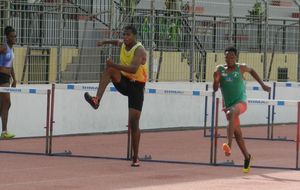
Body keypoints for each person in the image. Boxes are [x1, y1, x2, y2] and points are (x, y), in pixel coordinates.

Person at [84, 25, 147, 167]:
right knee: (109, 70)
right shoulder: (123, 43)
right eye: (124, 34)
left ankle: (135, 157)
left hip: (137, 87)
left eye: (128, 35)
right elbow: (115, 42)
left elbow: (133, 68)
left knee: (134, 123)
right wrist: (104, 41)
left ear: (134, 36)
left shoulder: (140, 50)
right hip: (124, 82)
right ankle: (96, 100)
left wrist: (115, 64)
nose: (125, 37)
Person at [213, 46, 271, 173]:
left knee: (232, 111)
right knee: (238, 135)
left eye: (232, 57)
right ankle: (247, 157)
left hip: (241, 103)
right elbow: (215, 89)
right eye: (227, 57)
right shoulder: (220, 69)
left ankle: (228, 145)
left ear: (236, 57)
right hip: (228, 106)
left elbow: (253, 71)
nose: (229, 59)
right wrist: (216, 80)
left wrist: (262, 85)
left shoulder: (241, 67)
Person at [0, 26, 17, 139]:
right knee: (7, 103)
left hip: (7, 77)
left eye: (15, 36)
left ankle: (4, 131)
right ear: (7, 37)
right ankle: (4, 132)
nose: (14, 38)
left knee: (4, 104)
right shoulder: (4, 47)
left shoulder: (11, 49)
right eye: (12, 36)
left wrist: (15, 79)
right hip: (1, 77)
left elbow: (10, 66)